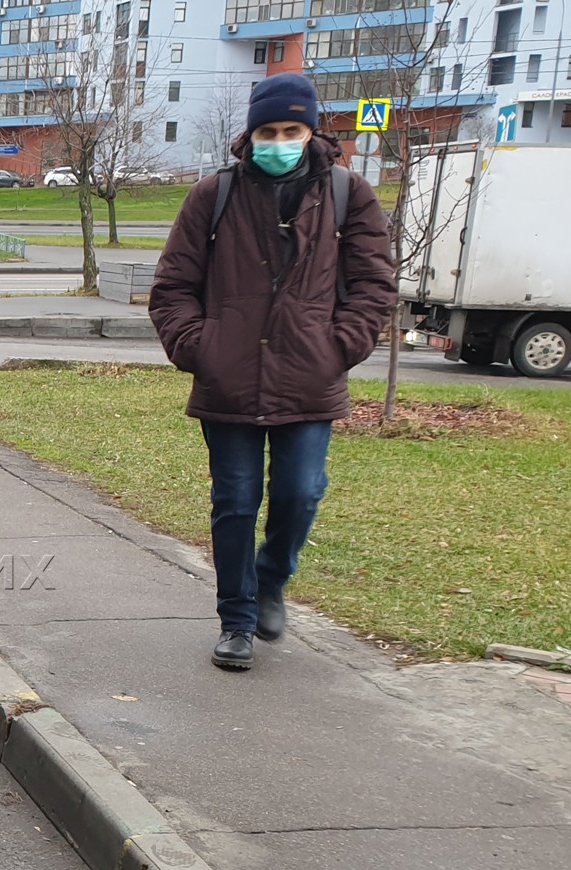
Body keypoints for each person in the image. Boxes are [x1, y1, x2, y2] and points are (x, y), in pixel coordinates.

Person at [149, 74, 396, 671]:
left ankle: (271, 579)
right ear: (250, 133)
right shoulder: (216, 195)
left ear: (311, 130)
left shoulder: (347, 193)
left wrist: (340, 346)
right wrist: (198, 346)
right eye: (268, 130)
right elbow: (173, 286)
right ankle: (236, 619)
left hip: (310, 378)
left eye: (291, 129)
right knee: (235, 501)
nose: (279, 140)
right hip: (227, 378)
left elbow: (374, 286)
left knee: (300, 492)